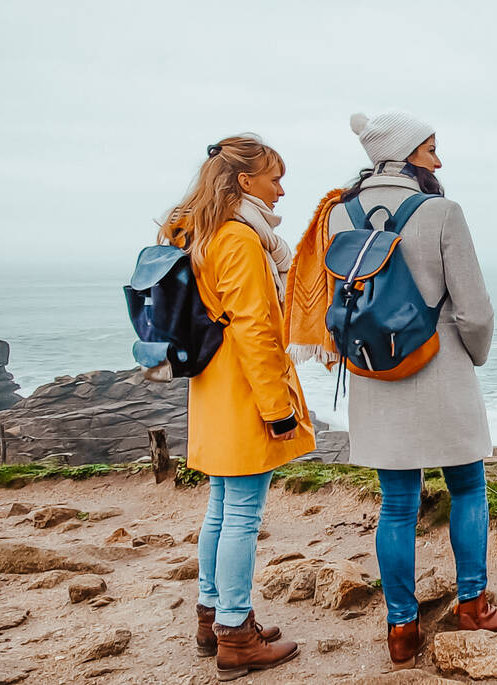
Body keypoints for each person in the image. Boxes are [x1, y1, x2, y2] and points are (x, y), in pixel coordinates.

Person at [323, 111, 497, 666]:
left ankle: (401, 630)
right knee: (468, 486)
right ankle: (474, 606)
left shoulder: (337, 215)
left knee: (397, 504)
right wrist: (475, 356)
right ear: (406, 154)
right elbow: (475, 308)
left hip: (373, 369)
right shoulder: (441, 211)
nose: (439, 161)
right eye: (432, 149)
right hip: (440, 365)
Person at [156, 134, 312, 679]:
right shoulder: (241, 240)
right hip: (244, 390)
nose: (281, 187)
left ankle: (212, 617)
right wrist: (278, 407)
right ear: (245, 181)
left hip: (211, 388)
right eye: (274, 177)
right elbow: (256, 330)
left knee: (221, 509)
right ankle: (237, 636)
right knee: (241, 514)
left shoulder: (197, 233)